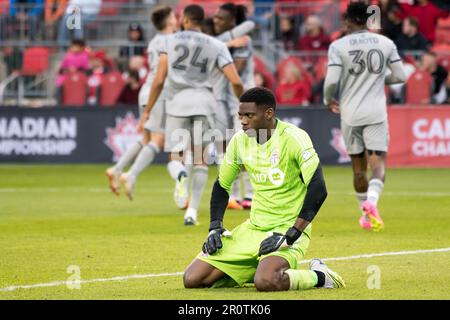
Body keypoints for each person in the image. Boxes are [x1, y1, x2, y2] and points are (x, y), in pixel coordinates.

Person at [183, 87, 345, 291]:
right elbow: (222, 186)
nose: (242, 121)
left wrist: (292, 233)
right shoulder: (239, 141)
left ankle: (320, 276)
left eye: (249, 115)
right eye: (240, 115)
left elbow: (318, 187)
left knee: (266, 282)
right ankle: (261, 267)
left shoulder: (294, 138)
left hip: (287, 228)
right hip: (254, 228)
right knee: (192, 279)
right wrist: (215, 226)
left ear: (268, 114)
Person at [140, 4, 244, 225]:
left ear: (185, 20)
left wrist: (148, 109)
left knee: (175, 157)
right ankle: (192, 213)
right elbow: (235, 80)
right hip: (205, 104)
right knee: (201, 160)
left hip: (177, 103)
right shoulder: (216, 44)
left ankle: (180, 175)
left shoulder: (169, 41)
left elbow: (158, 80)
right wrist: (243, 102)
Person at [323, 2, 407, 232]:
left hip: (350, 113)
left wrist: (327, 99)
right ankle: (372, 201)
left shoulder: (338, 46)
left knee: (358, 168)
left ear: (348, 21)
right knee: (378, 165)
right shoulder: (385, 43)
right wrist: (379, 78)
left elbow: (331, 81)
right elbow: (400, 75)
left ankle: (365, 216)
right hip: (376, 113)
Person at [106, 5, 177, 200]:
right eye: (173, 16)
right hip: (158, 91)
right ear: (169, 20)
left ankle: (117, 168)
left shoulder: (155, 41)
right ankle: (132, 175)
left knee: (146, 139)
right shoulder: (171, 40)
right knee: (158, 140)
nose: (176, 18)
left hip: (146, 90)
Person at [214, 2, 255, 211]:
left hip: (244, 99)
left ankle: (250, 194)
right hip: (225, 101)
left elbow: (235, 72)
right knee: (229, 149)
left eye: (221, 18)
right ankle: (235, 196)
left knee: (244, 147)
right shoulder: (223, 41)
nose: (216, 20)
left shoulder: (242, 43)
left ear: (232, 22)